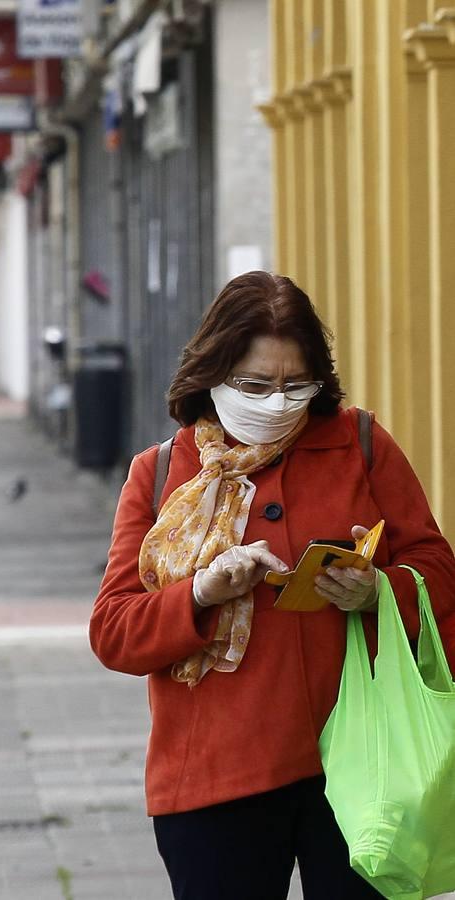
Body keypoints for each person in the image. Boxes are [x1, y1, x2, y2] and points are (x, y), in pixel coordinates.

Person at [89, 271, 455, 900]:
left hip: (362, 766)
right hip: (214, 775)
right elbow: (115, 631)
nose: (278, 401)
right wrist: (201, 593)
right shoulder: (161, 474)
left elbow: (436, 569)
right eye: (256, 385)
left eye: (296, 385)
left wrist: (378, 590)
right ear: (213, 374)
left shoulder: (360, 445)